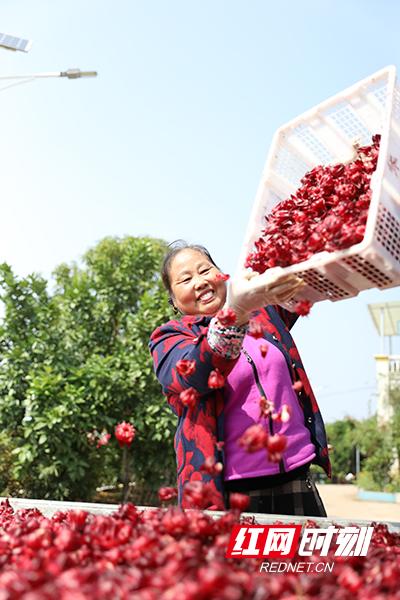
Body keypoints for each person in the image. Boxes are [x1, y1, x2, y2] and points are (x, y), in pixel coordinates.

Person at [149, 241, 330, 515]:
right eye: (185, 279)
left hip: (296, 476)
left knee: (306, 558)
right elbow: (195, 373)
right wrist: (235, 316)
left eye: (205, 270)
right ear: (174, 300)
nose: (199, 282)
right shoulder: (170, 337)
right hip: (233, 493)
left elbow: (305, 276)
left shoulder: (266, 313)